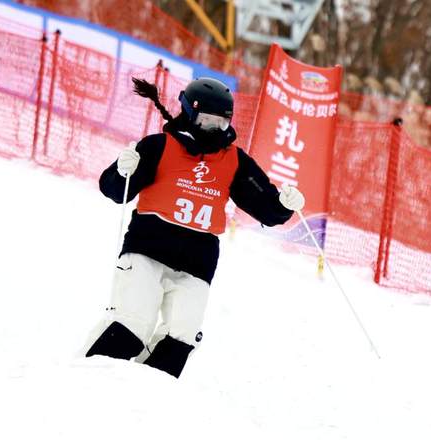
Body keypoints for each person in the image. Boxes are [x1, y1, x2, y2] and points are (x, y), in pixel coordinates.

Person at [84, 76, 306, 378]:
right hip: (147, 250)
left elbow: (267, 209)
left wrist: (284, 204)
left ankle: (147, 391)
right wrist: (122, 172)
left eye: (220, 123)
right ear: (189, 114)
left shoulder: (233, 161)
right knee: (133, 323)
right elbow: (114, 190)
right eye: (206, 121)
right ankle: (89, 376)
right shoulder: (159, 146)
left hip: (196, 264)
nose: (213, 129)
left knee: (181, 335)